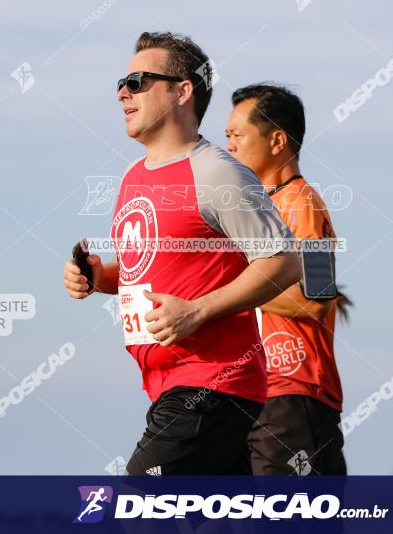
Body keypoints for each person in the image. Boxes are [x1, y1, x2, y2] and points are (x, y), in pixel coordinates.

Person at [63, 32, 300, 476]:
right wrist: (99, 277)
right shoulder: (134, 176)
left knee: (138, 507)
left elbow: (283, 261)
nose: (122, 92)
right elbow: (152, 271)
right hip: (165, 386)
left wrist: (196, 311)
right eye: (122, 82)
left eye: (137, 81)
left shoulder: (216, 172)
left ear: (182, 91)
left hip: (214, 381)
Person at [225, 83, 347, 475]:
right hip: (251, 392)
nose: (229, 146)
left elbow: (318, 298)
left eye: (237, 135)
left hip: (294, 394)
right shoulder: (257, 208)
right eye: (226, 136)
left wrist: (231, 292)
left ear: (277, 140)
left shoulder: (302, 203)